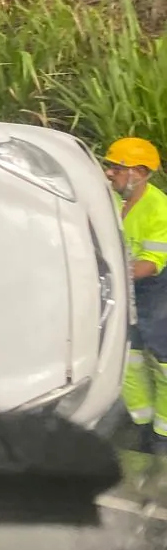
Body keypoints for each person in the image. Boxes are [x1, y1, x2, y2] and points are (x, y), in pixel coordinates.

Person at [103, 137, 167, 450]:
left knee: (162, 361)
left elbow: (151, 264)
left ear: (139, 172)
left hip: (155, 291)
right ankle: (142, 425)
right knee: (130, 359)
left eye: (117, 167)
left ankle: (163, 435)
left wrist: (110, 273)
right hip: (122, 289)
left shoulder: (160, 208)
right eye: (110, 165)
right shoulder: (109, 200)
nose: (109, 172)